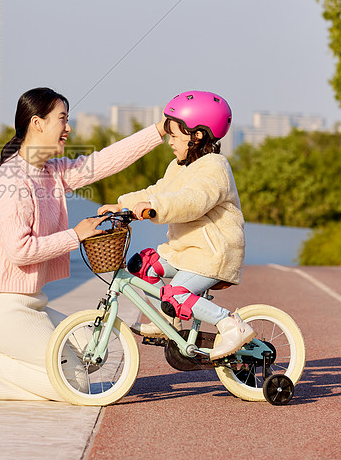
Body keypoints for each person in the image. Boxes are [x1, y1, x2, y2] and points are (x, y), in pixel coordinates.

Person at [0, 87, 166, 402]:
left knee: (91, 354)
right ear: (37, 123)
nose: (68, 127)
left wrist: (158, 131)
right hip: (0, 307)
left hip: (31, 302)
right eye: (62, 119)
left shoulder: (49, 171)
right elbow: (20, 251)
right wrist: (76, 235)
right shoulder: (13, 180)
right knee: (75, 381)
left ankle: (12, 361)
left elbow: (103, 161)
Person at [98, 90, 254, 361]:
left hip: (212, 254)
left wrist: (156, 208)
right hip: (186, 250)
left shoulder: (215, 167)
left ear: (197, 135)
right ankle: (168, 322)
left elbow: (191, 201)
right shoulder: (178, 166)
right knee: (141, 265)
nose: (169, 141)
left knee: (176, 294)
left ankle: (231, 325)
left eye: (174, 134)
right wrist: (123, 205)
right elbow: (158, 190)